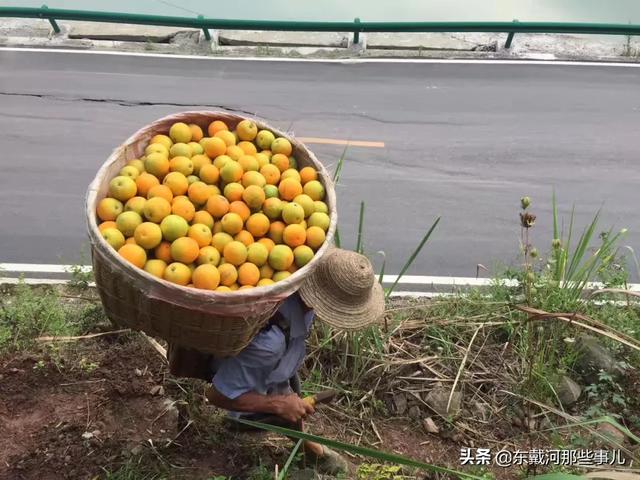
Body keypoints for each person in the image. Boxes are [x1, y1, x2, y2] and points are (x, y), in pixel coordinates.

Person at [168, 248, 385, 474]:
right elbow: (216, 395)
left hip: (273, 358)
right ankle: (267, 428)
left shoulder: (294, 289)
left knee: (292, 399)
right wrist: (278, 404)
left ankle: (310, 449)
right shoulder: (267, 346)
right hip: (252, 360)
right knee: (284, 403)